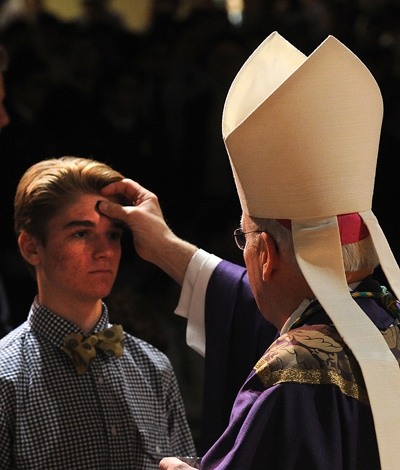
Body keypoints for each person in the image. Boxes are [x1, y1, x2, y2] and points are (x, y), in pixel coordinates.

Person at [98, 32, 400, 469]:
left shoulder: (292, 373)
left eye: (244, 239)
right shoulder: (387, 315)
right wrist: (165, 248)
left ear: (267, 257)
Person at [0, 156, 196, 469]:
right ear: (31, 248)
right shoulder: (6, 377)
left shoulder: (154, 367)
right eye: (81, 233)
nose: (104, 251)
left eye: (113, 235)